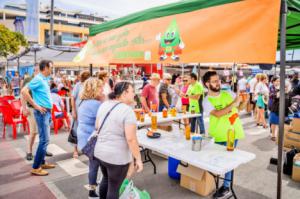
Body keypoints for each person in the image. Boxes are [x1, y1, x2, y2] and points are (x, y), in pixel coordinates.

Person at [94, 82, 143, 199]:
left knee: (106, 180)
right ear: (124, 93)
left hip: (100, 152)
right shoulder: (127, 110)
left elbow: (97, 126)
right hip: (116, 157)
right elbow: (131, 139)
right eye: (132, 91)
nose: (134, 94)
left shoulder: (104, 105)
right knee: (114, 187)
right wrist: (138, 159)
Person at [202, 71, 245, 198]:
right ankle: (212, 182)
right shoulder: (206, 100)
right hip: (218, 134)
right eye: (214, 81)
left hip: (233, 133)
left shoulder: (228, 93)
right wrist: (234, 103)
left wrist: (244, 101)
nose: (218, 83)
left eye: (219, 80)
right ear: (207, 84)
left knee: (229, 161)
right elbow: (218, 113)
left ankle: (226, 186)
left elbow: (240, 108)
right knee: (217, 160)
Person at [21, 60, 55, 176]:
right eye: (51, 67)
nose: (52, 69)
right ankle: (36, 167)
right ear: (45, 67)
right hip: (42, 113)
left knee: (45, 139)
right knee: (44, 140)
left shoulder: (44, 79)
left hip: (46, 112)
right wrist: (35, 105)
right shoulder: (38, 79)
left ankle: (42, 162)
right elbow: (24, 91)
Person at [77, 78, 104, 198]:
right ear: (94, 89)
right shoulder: (96, 104)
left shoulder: (82, 101)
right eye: (100, 87)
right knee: (95, 166)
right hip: (92, 141)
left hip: (83, 139)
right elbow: (104, 121)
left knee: (93, 165)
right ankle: (92, 192)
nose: (102, 89)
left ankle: (93, 186)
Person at [71, 70, 90, 158]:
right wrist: (74, 111)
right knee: (75, 129)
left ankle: (85, 147)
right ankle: (75, 150)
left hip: (86, 111)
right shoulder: (78, 85)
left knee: (85, 130)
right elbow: (72, 98)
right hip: (78, 111)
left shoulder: (89, 86)